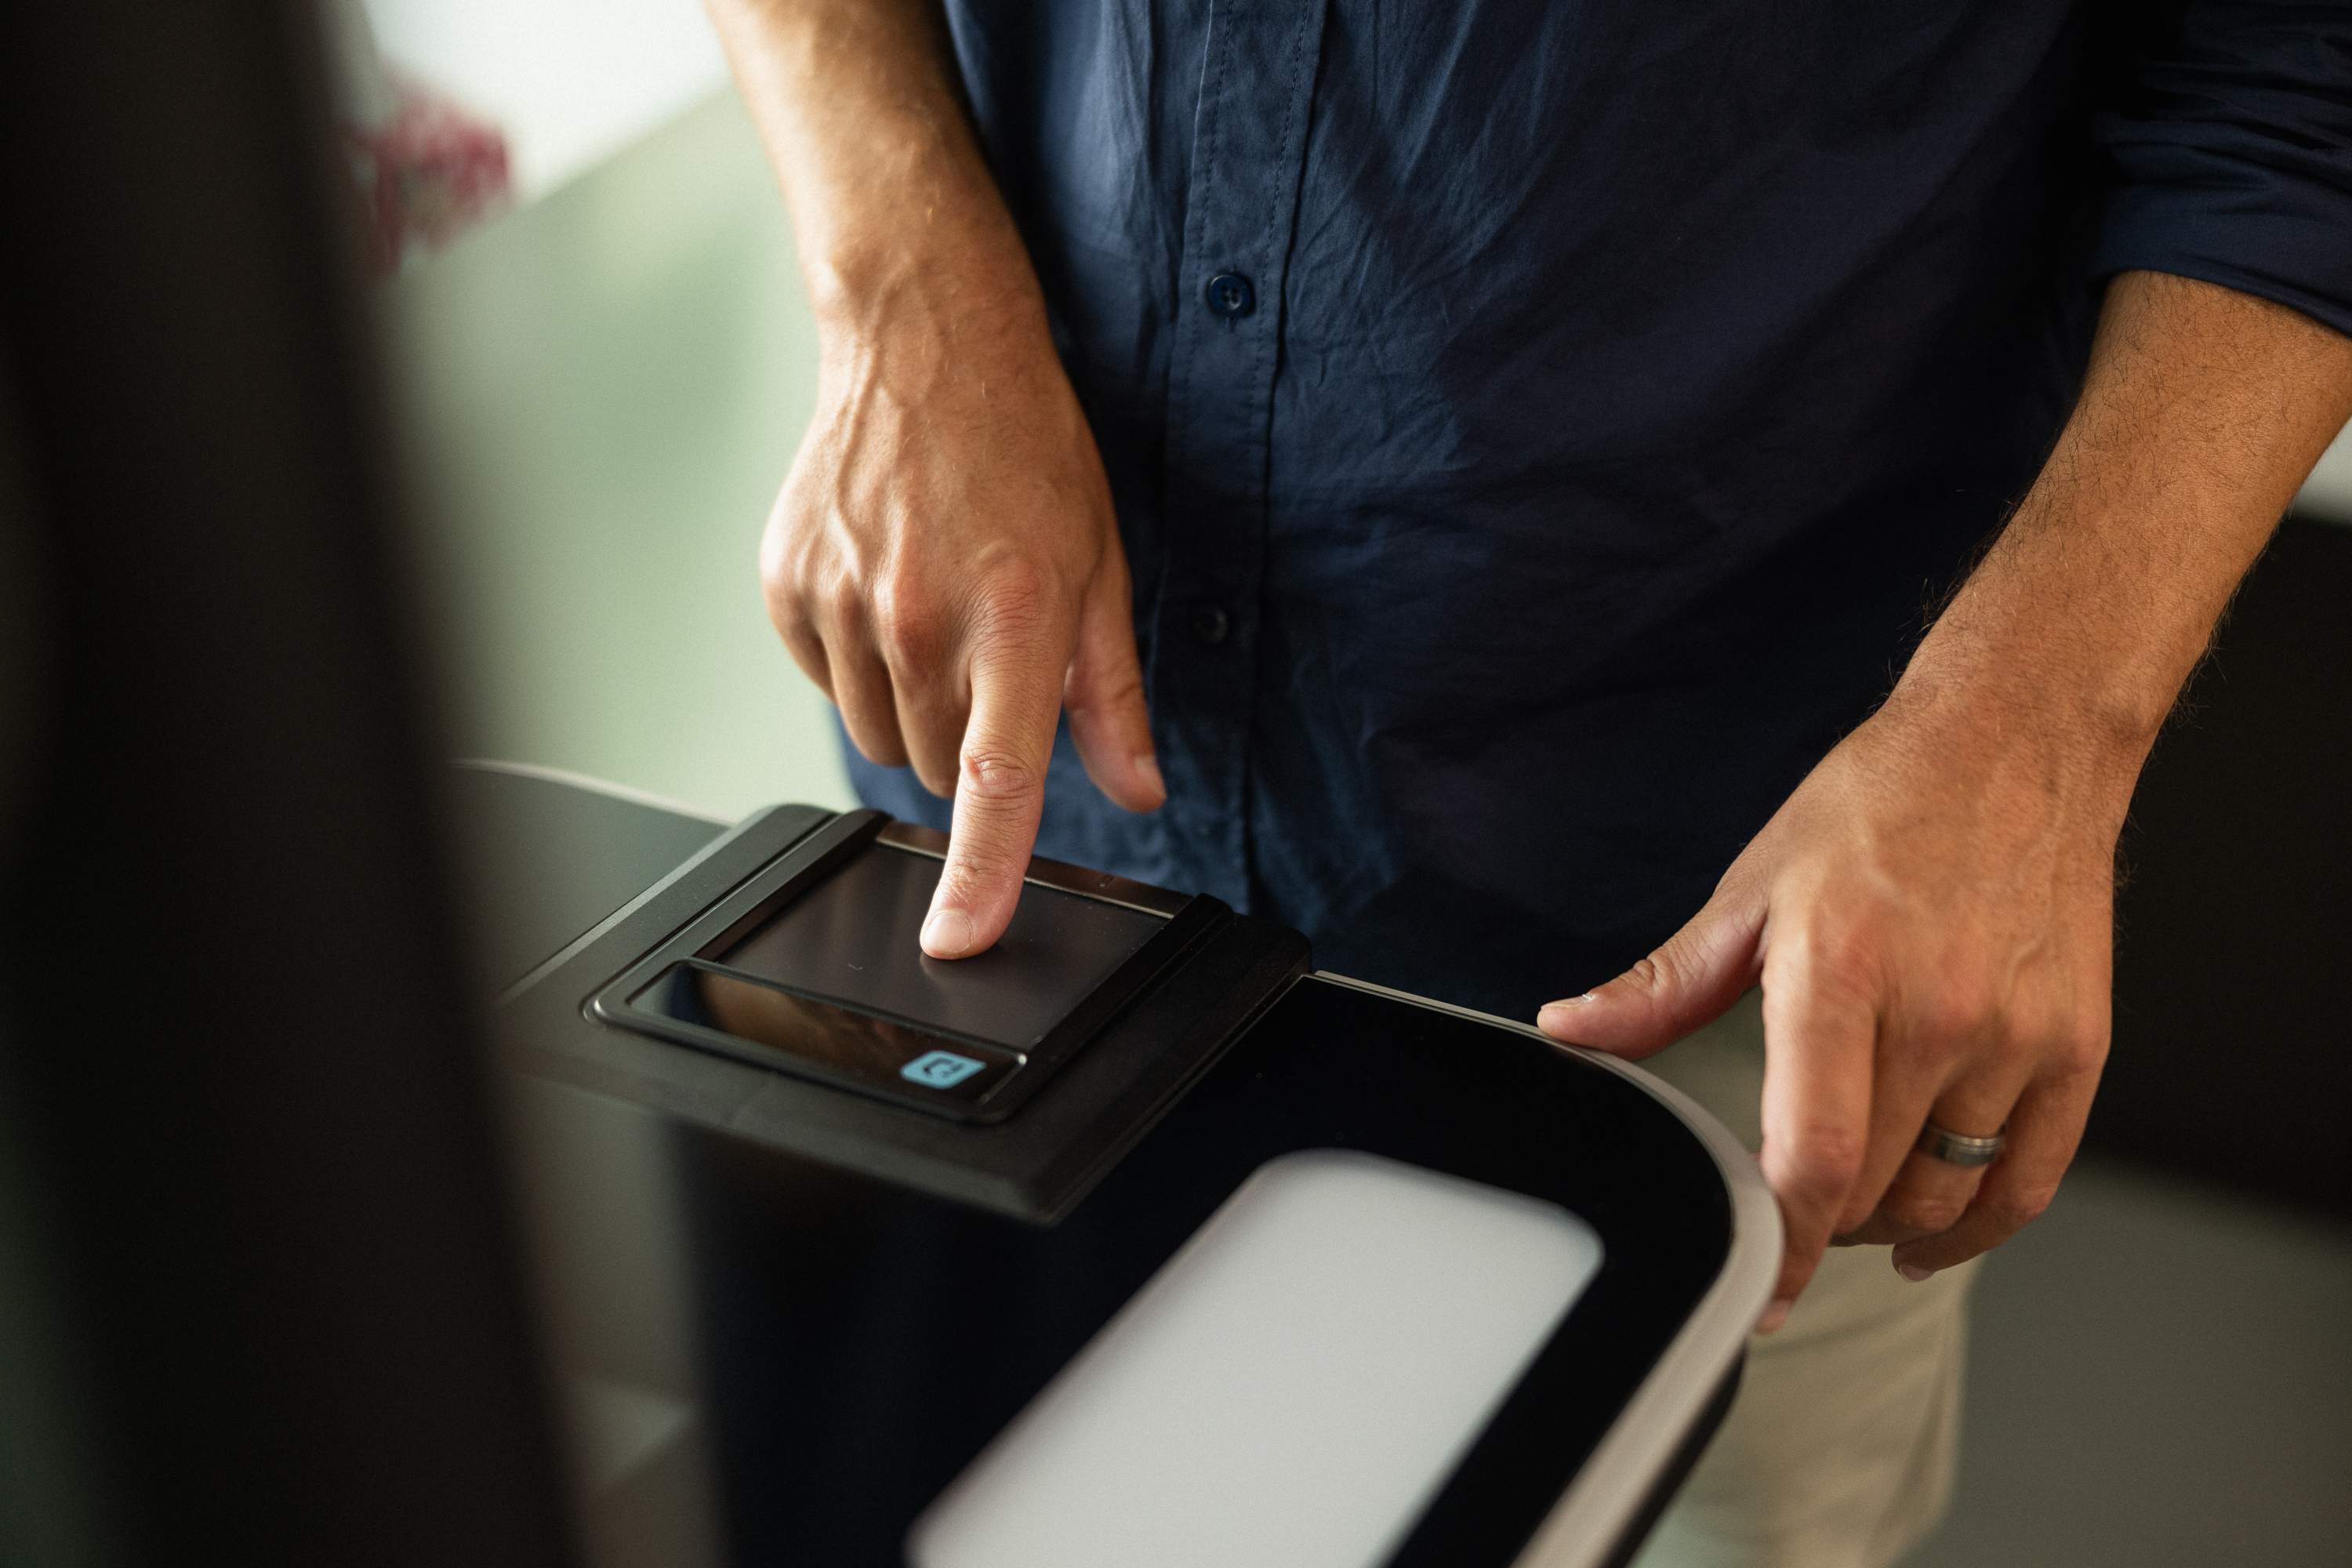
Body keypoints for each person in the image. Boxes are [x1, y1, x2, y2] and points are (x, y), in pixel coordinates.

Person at [705, 1, 2352, 1562]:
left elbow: (2303, 67)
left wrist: (2037, 733)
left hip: (1730, 950)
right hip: (993, 865)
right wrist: (899, 288)